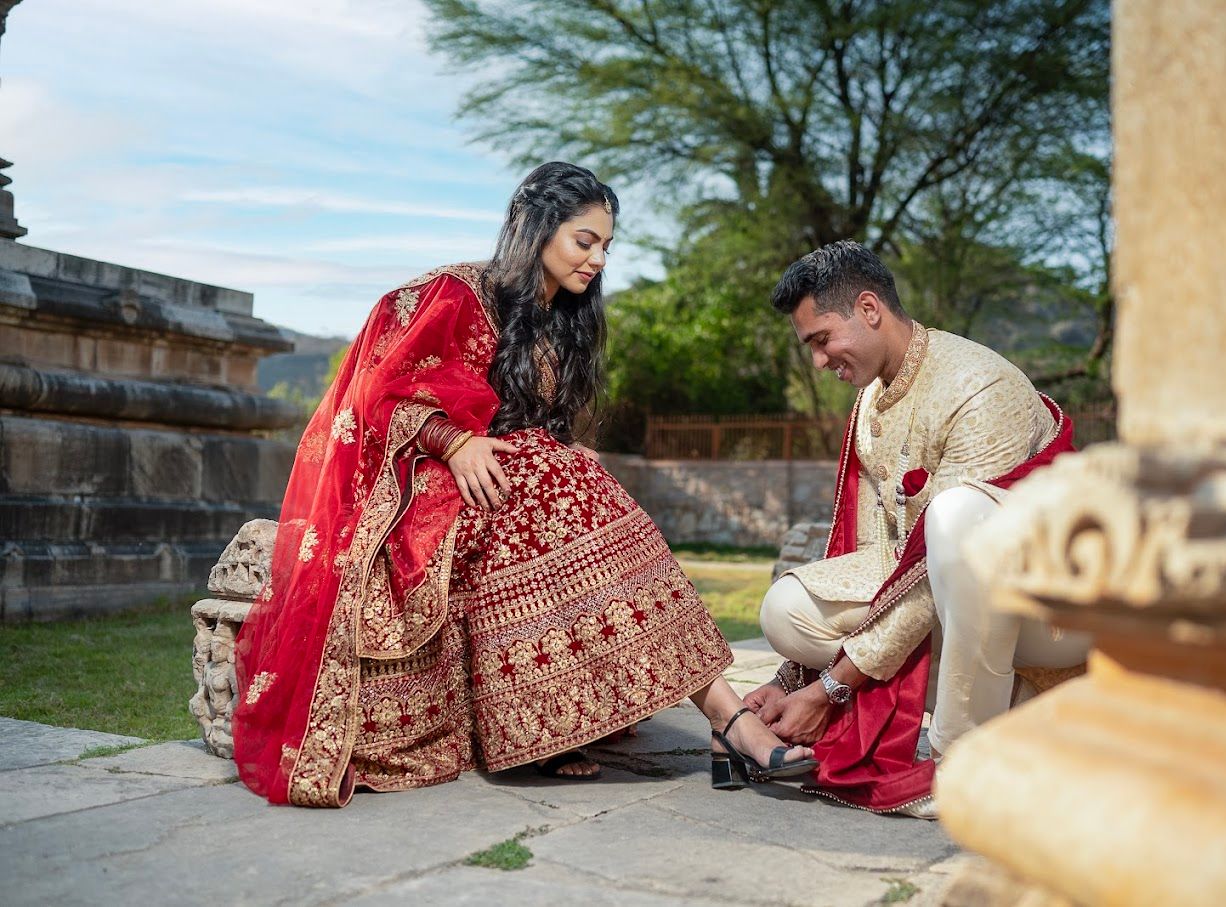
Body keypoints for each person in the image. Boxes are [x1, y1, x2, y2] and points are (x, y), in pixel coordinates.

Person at [233, 162, 816, 806]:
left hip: (503, 485)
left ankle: (672, 721)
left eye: (606, 247)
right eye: (583, 240)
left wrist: (556, 452)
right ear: (537, 230)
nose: (596, 259)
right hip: (425, 481)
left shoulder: (557, 322)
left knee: (578, 480)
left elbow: (530, 427)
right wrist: (452, 441)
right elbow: (378, 389)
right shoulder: (457, 293)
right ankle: (728, 725)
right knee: (566, 482)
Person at [744, 241, 1088, 817]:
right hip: (952, 599)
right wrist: (791, 681)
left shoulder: (979, 387)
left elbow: (938, 566)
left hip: (1048, 608)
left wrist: (831, 689)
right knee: (786, 609)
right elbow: (883, 555)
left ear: (869, 308)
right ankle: (1010, 714)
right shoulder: (873, 396)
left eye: (822, 340)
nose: (820, 362)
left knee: (954, 518)